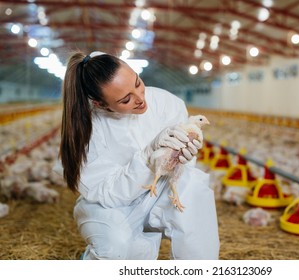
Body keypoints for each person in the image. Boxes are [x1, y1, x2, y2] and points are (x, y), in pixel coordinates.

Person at [56, 51, 220, 260]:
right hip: (113, 206)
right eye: (126, 99)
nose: (140, 98)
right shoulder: (88, 131)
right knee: (117, 248)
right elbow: (108, 195)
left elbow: (182, 167)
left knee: (195, 189)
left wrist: (183, 157)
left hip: (161, 190)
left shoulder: (167, 103)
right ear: (101, 104)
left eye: (137, 83)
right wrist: (148, 156)